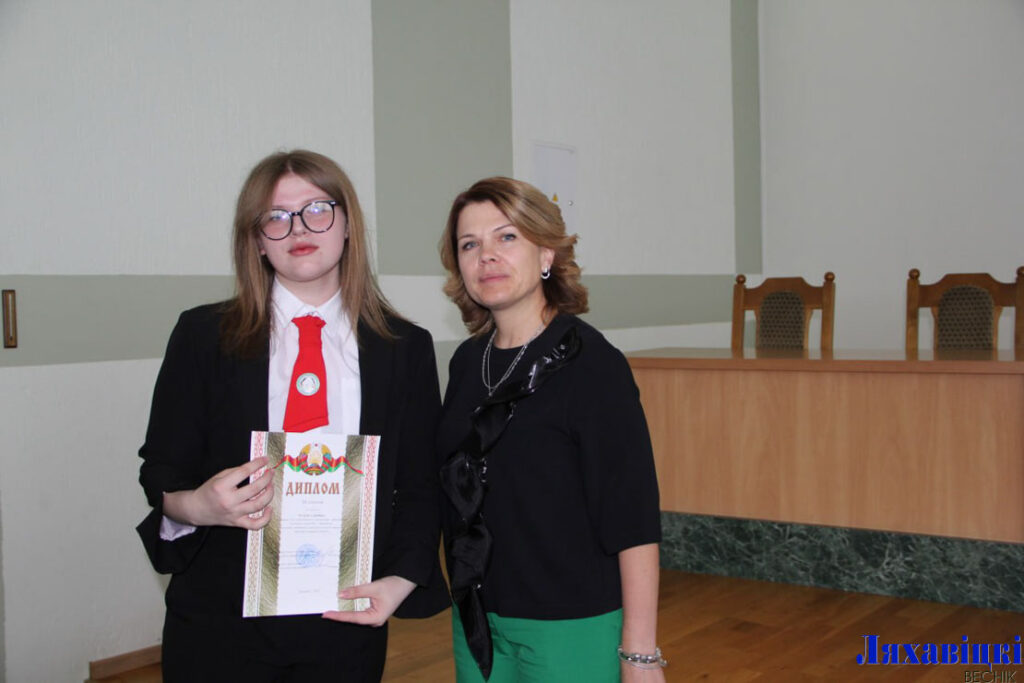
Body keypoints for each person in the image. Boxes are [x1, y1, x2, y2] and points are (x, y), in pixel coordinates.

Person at [137, 150, 448, 682]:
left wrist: (399, 581)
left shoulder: (404, 348)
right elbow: (161, 471)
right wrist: (198, 505)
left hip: (346, 620)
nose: (298, 228)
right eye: (276, 217)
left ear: (348, 225)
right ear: (257, 240)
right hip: (219, 622)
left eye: (317, 209)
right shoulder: (202, 336)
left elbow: (420, 485)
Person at [437, 177, 666, 682]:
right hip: (476, 622)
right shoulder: (466, 363)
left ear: (546, 253)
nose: (486, 256)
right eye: (469, 245)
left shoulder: (593, 364)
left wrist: (640, 654)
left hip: (571, 626)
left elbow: (632, 518)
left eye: (506, 237)